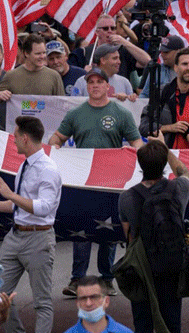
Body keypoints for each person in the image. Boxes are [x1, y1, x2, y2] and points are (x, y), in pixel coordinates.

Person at [0, 116, 63, 333]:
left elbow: (44, 208)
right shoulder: (25, 165)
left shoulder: (48, 169)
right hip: (16, 235)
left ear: (25, 138)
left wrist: (9, 195)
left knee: (42, 302)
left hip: (39, 238)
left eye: (15, 135)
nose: (13, 139)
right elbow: (21, 203)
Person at [116, 139, 189, 333]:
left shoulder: (127, 197)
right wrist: (165, 148)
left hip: (141, 268)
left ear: (139, 166)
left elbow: (129, 234)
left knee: (144, 327)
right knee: (172, 324)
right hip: (172, 264)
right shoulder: (179, 188)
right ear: (163, 165)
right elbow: (184, 171)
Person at [54, 70, 142, 295]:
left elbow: (137, 142)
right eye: (90, 82)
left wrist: (135, 155)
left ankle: (107, 278)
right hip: (82, 180)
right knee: (81, 229)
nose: (94, 86)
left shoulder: (120, 113)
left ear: (107, 87)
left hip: (111, 180)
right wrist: (53, 150)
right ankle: (77, 280)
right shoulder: (76, 114)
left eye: (99, 82)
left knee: (108, 230)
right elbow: (57, 138)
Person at [139, 47, 189, 149]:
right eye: (184, 64)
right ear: (176, 68)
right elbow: (144, 126)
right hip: (164, 155)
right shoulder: (161, 93)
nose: (188, 68)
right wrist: (168, 128)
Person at [0, 34, 66, 112]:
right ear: (26, 53)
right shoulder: (11, 75)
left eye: (44, 53)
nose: (42, 56)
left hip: (46, 123)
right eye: (38, 54)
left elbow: (62, 105)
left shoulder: (54, 76)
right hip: (19, 122)